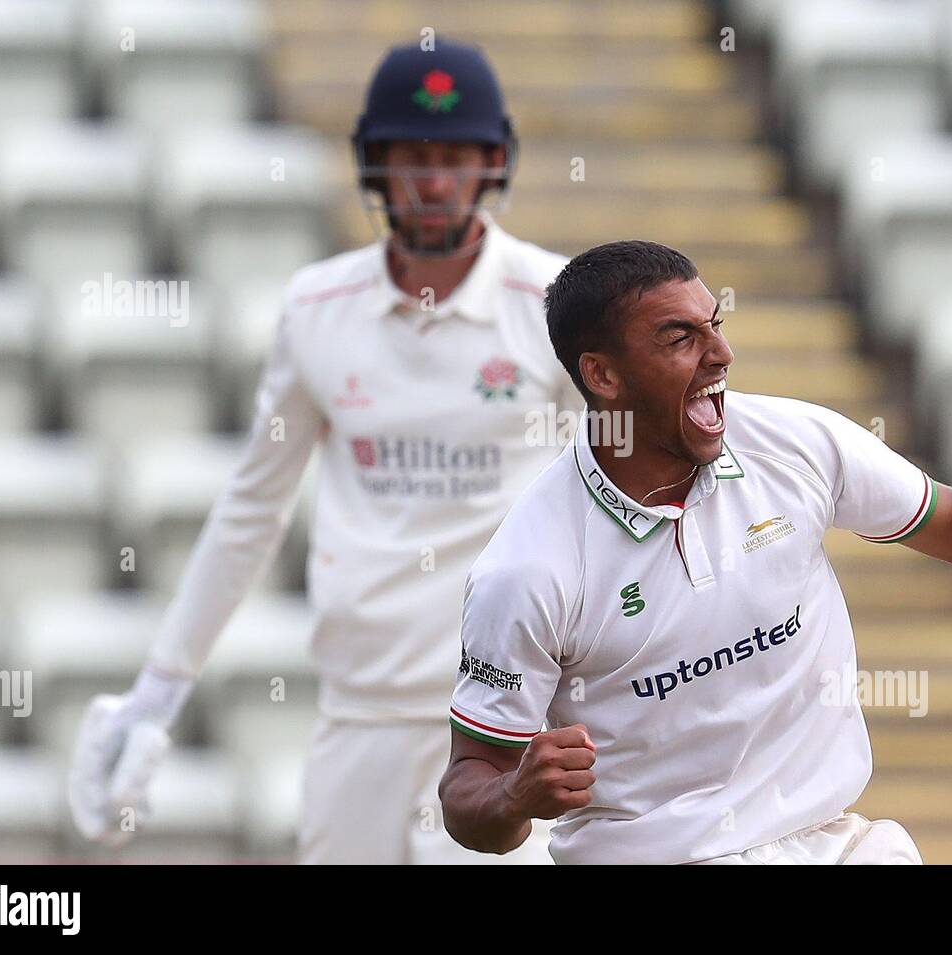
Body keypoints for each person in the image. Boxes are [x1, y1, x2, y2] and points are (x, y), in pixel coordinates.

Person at [438, 239, 952, 865]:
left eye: (716, 323)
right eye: (681, 337)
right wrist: (512, 801)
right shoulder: (529, 568)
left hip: (833, 843)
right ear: (602, 375)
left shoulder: (792, 440)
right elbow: (468, 785)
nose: (720, 354)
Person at [69, 40, 579, 864]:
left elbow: (622, 500)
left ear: (493, 163)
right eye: (413, 157)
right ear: (375, 166)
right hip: (360, 712)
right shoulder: (318, 309)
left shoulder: (556, 305)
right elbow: (251, 511)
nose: (435, 181)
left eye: (455, 157)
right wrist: (156, 694)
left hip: (504, 717)